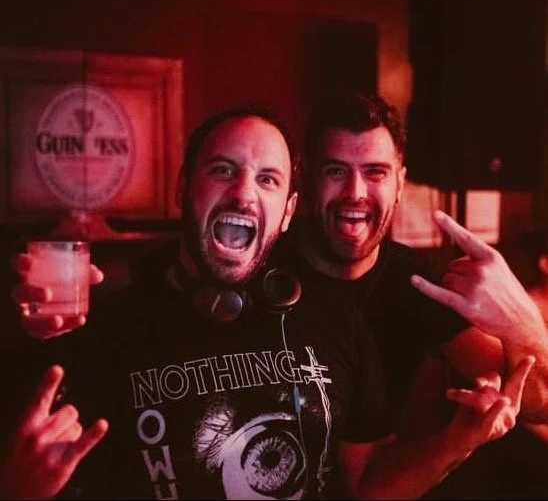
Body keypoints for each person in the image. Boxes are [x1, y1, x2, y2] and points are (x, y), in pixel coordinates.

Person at [2, 104, 533, 500]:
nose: (243, 193)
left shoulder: (337, 313)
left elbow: (371, 478)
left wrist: (459, 436)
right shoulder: (112, 318)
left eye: (267, 179)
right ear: (183, 187)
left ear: (287, 211)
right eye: (222, 170)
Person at [268, 90, 548, 495]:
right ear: (309, 178)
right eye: (336, 171)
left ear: (399, 182)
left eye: (375, 172)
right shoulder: (261, 264)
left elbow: (540, 402)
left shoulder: (418, 282)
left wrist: (522, 320)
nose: (355, 192)